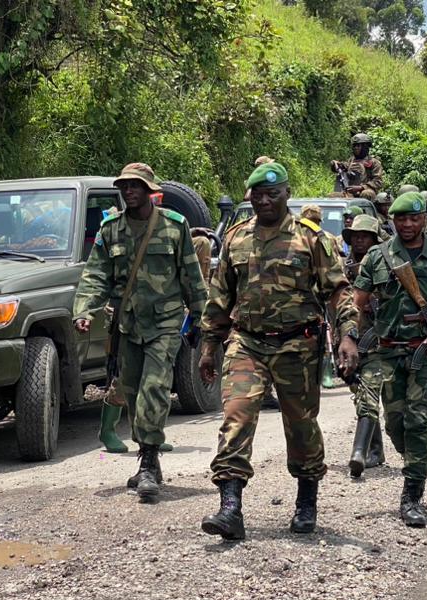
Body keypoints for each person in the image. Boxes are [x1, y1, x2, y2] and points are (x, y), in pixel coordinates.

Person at [199, 161, 359, 540]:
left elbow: (337, 291)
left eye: (274, 193)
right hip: (246, 343)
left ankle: (306, 500)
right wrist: (208, 344)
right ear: (249, 197)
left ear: (287, 194)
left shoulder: (310, 239)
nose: (266, 200)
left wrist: (347, 335)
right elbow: (220, 297)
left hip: (297, 344)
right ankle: (230, 508)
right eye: (259, 194)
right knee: (236, 417)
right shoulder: (237, 238)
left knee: (301, 425)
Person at [73, 162, 207, 502]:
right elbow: (95, 275)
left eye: (135, 185)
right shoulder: (111, 230)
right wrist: (84, 311)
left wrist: (206, 324)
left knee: (154, 389)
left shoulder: (175, 228)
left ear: (149, 190)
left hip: (164, 324)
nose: (129, 191)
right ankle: (148, 457)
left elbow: (193, 278)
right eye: (124, 186)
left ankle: (148, 463)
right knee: (131, 392)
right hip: (127, 325)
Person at [352, 193, 427, 525]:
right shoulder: (376, 257)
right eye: (401, 219)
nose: (408, 225)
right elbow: (358, 302)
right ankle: (416, 461)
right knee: (396, 425)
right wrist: (350, 339)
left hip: (424, 354)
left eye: (414, 218)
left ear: (424, 219)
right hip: (387, 351)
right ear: (392, 221)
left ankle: (412, 496)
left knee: (418, 422)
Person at [340, 214, 386, 477]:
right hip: (351, 339)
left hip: (378, 340)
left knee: (369, 395)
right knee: (360, 392)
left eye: (364, 236)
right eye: (355, 235)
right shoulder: (344, 267)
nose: (359, 239)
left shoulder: (385, 266)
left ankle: (359, 453)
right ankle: (376, 450)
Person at [330, 133, 384, 200]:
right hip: (350, 191)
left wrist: (361, 187)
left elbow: (378, 182)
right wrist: (336, 164)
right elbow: (344, 166)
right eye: (354, 146)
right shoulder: (351, 160)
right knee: (333, 195)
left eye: (358, 146)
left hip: (365, 190)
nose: (355, 148)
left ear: (365, 146)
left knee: (366, 193)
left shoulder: (374, 162)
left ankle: (364, 210)